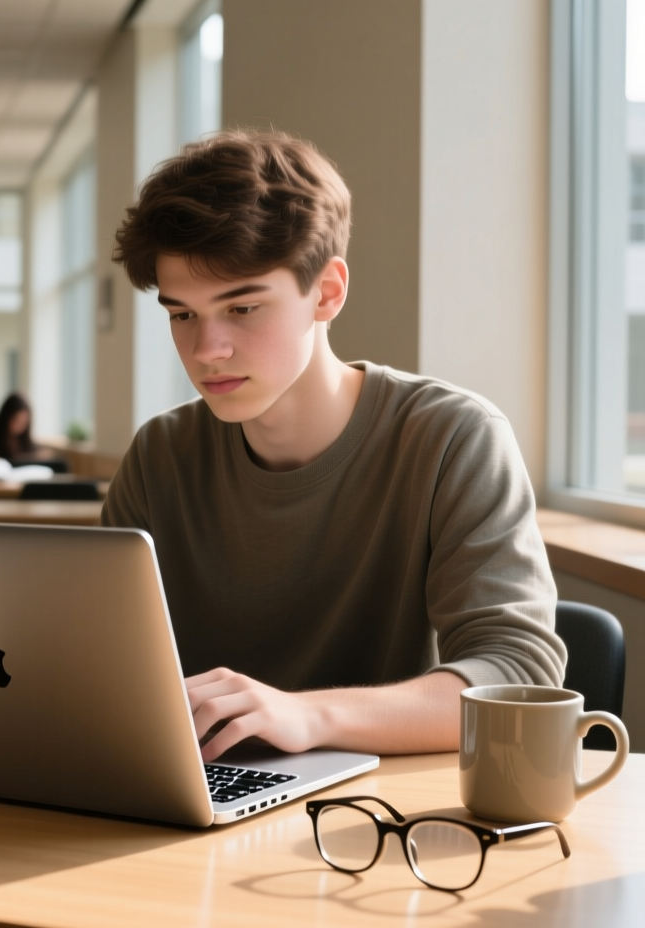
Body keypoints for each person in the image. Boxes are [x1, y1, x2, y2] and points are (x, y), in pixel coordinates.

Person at [105, 129, 565, 762]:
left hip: (377, 819)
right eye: (182, 314)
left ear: (326, 292)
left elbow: (520, 674)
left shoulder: (452, 436)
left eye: (241, 309)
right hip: (194, 801)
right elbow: (106, 668)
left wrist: (307, 714)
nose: (206, 350)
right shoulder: (160, 455)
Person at [0, 393, 58, 464]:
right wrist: (33, 456)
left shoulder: (23, 438)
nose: (20, 426)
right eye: (16, 421)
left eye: (24, 423)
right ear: (6, 417)